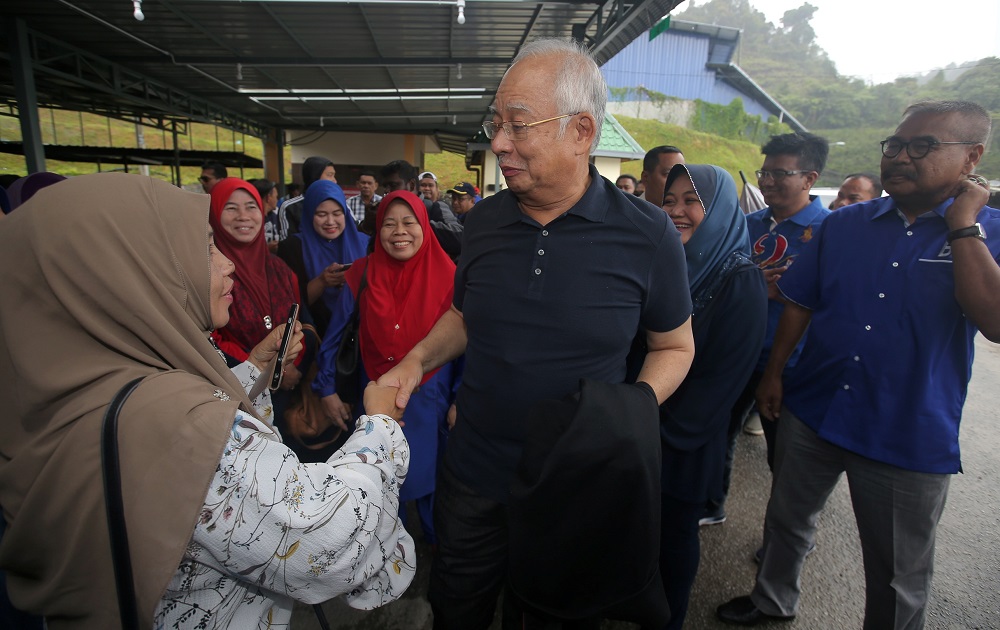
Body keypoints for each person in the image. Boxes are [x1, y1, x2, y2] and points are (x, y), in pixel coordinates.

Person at [0, 172, 414, 628]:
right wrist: (379, 427)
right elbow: (327, 542)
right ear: (134, 269)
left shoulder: (72, 384)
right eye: (205, 247)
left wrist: (254, 368)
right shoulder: (182, 425)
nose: (227, 264)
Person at [376, 38, 695, 630]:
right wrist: (416, 360)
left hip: (574, 487)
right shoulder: (486, 222)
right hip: (473, 473)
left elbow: (674, 346)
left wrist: (626, 413)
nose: (499, 143)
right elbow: (465, 316)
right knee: (458, 606)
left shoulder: (647, 234)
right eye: (497, 124)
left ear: (581, 131)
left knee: (554, 617)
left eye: (518, 126)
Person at [716, 100, 1000, 629]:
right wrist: (775, 373)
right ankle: (772, 601)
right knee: (787, 521)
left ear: (971, 157)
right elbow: (801, 301)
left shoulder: (988, 230)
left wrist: (963, 228)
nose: (899, 157)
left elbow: (996, 321)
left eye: (922, 147)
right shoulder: (845, 225)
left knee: (898, 572)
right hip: (816, 406)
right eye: (894, 145)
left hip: (906, 431)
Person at [632, 164, 766, 630]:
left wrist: (653, 432)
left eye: (692, 200)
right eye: (669, 200)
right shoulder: (663, 265)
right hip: (638, 429)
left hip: (683, 441)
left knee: (672, 543)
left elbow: (722, 383)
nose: (677, 211)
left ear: (722, 209)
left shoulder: (739, 280)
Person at [314, 190, 461, 544]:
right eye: (389, 224)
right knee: (379, 476)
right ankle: (384, 547)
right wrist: (327, 388)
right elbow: (333, 337)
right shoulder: (362, 274)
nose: (400, 231)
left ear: (425, 226)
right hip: (376, 396)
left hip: (430, 395)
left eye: (409, 222)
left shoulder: (451, 276)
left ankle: (432, 546)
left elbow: (465, 349)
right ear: (377, 230)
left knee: (428, 477)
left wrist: (460, 399)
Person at [705, 131, 831, 526]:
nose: (768, 181)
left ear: (809, 179)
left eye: (780, 173)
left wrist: (791, 292)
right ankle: (711, 505)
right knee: (718, 432)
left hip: (793, 364)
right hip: (740, 352)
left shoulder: (830, 231)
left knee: (787, 456)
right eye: (765, 172)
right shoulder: (746, 223)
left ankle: (786, 537)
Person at [276, 179, 370, 338]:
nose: (330, 222)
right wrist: (322, 282)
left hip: (359, 338)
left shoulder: (365, 243)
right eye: (321, 214)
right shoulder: (292, 247)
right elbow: (289, 305)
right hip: (315, 337)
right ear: (309, 214)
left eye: (337, 213)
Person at [277, 156, 337, 240]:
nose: (334, 181)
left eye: (336, 213)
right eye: (330, 175)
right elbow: (287, 246)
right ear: (314, 177)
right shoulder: (290, 207)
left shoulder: (340, 204)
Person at [249, 177, 281, 251]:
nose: (277, 200)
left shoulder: (275, 216)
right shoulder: (251, 220)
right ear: (268, 198)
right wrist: (266, 248)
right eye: (276, 197)